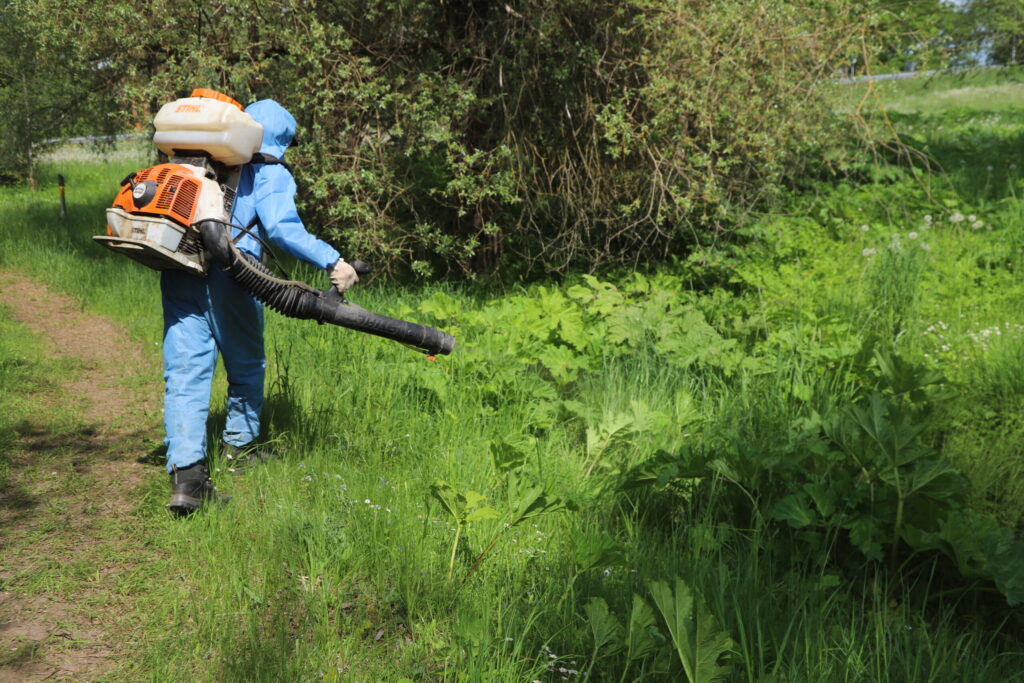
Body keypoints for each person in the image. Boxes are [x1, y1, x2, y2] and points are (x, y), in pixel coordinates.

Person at [164, 98, 357, 515]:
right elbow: (282, 228)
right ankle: (239, 448)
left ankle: (187, 479)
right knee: (247, 364)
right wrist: (333, 259)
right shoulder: (269, 170)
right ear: (283, 138)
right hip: (233, 274)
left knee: (185, 372)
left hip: (180, 266)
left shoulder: (199, 163)